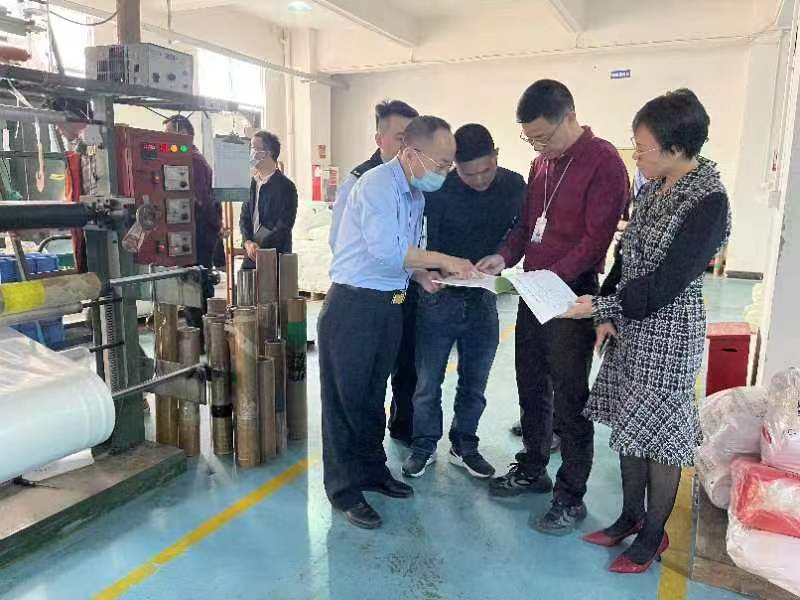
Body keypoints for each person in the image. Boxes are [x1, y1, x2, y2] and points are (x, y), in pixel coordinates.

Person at [563, 89, 730, 573]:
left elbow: (665, 284)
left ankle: (654, 534)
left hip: (669, 332)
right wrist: (605, 310)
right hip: (631, 325)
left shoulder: (708, 201)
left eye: (642, 148)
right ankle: (629, 517)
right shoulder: (652, 187)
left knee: (660, 437)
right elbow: (626, 255)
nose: (636, 156)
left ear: (675, 148)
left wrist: (601, 305)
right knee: (630, 426)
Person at [477, 80, 629, 535]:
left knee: (570, 397)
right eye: (531, 140)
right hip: (534, 290)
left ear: (570, 117)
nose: (539, 146)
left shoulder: (604, 162)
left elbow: (595, 241)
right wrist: (504, 256)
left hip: (571, 294)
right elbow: (526, 226)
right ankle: (533, 466)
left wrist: (551, 278)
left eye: (544, 136)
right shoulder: (541, 163)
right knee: (530, 383)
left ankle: (571, 495)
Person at [319, 116, 478, 530]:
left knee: (374, 395)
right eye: (441, 164)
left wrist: (423, 275)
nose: (445, 172)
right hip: (353, 306)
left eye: (448, 165)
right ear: (410, 154)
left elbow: (405, 253)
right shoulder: (376, 185)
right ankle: (343, 489)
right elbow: (387, 250)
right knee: (345, 401)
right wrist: (444, 260)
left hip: (389, 304)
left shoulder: (413, 194)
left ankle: (372, 470)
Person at [402, 124, 524, 479]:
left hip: (483, 297)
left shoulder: (514, 186)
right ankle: (424, 445)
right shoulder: (439, 189)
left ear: (496, 156)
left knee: (475, 381)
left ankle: (464, 444)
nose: (480, 179)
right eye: (469, 174)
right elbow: (419, 239)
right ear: (455, 167)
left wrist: (502, 256)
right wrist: (430, 273)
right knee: (428, 383)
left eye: (487, 169)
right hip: (438, 297)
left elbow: (520, 232)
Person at [329, 99, 421, 447]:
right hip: (363, 298)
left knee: (401, 365)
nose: (407, 146)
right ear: (379, 139)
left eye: (412, 138)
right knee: (359, 386)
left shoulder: (414, 185)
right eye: (399, 137)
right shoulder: (362, 181)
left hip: (400, 292)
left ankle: (398, 432)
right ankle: (354, 468)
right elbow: (340, 242)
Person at [163, 115, 221, 338]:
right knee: (192, 286)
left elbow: (200, 201)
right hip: (194, 233)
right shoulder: (186, 160)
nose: (165, 139)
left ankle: (204, 338)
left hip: (198, 235)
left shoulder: (193, 161)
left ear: (182, 133)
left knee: (196, 286)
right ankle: (201, 337)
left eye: (169, 133)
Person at [240, 131, 298, 268]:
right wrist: (248, 242)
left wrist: (261, 247)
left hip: (275, 256)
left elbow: (284, 225)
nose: (251, 152)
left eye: (254, 148)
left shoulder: (286, 187)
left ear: (268, 153)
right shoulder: (251, 184)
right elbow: (244, 217)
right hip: (251, 254)